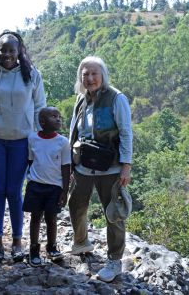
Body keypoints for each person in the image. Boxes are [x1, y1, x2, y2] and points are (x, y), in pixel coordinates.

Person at [0, 30, 46, 262]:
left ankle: (17, 241)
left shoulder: (32, 75)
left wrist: (37, 143)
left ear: (19, 51)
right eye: (3, 49)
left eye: (11, 49)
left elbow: (39, 110)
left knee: (14, 192)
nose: (7, 53)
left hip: (22, 142)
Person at [68, 56, 133, 282]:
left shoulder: (116, 98)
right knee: (75, 204)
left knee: (113, 213)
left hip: (111, 166)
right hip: (84, 164)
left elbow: (125, 132)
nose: (90, 78)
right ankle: (81, 242)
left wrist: (126, 165)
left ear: (102, 75)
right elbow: (72, 132)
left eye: (94, 73)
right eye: (85, 74)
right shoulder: (81, 99)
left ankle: (114, 261)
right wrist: (69, 162)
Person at [22, 107, 71, 267]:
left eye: (59, 116)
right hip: (35, 185)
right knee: (35, 218)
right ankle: (34, 250)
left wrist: (65, 190)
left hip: (54, 188)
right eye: (53, 116)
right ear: (42, 121)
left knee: (52, 218)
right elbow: (30, 160)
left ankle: (51, 247)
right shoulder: (32, 139)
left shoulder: (63, 142)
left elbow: (66, 167)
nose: (58, 119)